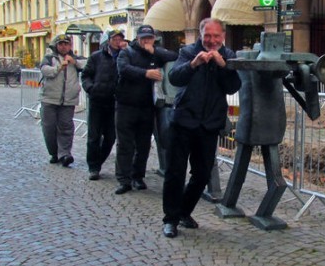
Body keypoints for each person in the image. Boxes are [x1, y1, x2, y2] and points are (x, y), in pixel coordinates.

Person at [161, 18, 241, 238]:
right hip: (183, 121)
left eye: (216, 36)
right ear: (200, 34)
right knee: (175, 172)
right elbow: (174, 77)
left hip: (209, 124)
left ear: (223, 36)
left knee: (202, 174)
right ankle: (170, 219)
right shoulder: (188, 51)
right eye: (208, 35)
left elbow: (234, 86)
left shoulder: (229, 55)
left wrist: (223, 65)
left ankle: (184, 212)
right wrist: (193, 64)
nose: (212, 40)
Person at [114, 24, 177, 194]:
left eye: (149, 38)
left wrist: (154, 52)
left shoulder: (156, 53)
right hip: (126, 104)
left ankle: (137, 177)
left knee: (143, 145)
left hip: (147, 107)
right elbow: (123, 69)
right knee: (125, 144)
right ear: (137, 38)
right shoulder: (127, 52)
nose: (146, 41)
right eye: (143, 38)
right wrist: (145, 73)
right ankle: (123, 179)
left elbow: (174, 56)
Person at [81, 29, 124, 181]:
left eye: (120, 39)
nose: (118, 42)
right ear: (109, 41)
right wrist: (90, 88)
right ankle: (93, 167)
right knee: (94, 136)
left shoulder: (124, 56)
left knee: (110, 137)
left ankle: (98, 161)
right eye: (115, 39)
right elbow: (86, 75)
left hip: (114, 102)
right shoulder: (97, 57)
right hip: (97, 100)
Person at [39, 34, 85, 167]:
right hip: (49, 99)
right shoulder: (49, 58)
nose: (64, 47)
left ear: (70, 46)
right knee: (49, 127)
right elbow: (45, 70)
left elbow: (86, 64)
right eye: (61, 44)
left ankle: (65, 154)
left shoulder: (74, 58)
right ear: (56, 45)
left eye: (66, 44)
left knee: (66, 127)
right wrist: (58, 68)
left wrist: (74, 62)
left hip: (68, 100)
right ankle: (54, 152)